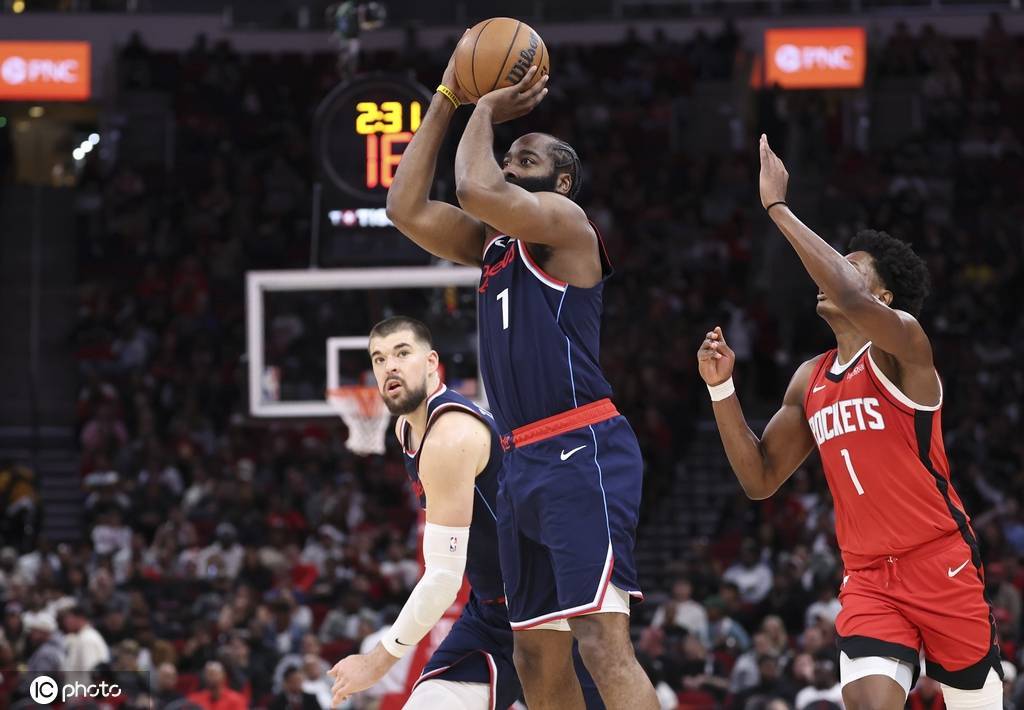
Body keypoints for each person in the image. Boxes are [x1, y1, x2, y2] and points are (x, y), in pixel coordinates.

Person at [384, 41, 656, 710]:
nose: (508, 165)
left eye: (525, 161)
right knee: (533, 654)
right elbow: (404, 207)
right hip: (520, 461)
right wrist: (447, 97)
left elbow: (475, 188)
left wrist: (484, 106)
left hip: (579, 446)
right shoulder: (492, 245)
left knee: (601, 642)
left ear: (561, 183)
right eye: (507, 157)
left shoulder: (567, 225)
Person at [696, 134, 1003, 709]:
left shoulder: (905, 345)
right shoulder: (808, 379)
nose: (829, 275)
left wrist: (777, 207)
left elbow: (850, 296)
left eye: (848, 267)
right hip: (867, 577)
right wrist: (721, 389)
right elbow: (759, 479)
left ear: (882, 296)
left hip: (940, 561)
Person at [327, 317, 529, 709]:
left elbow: (443, 579)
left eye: (402, 353)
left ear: (432, 362)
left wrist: (375, 662)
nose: (390, 366)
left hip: (545, 604)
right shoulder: (406, 429)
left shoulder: (449, 436)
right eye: (379, 358)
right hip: (492, 611)